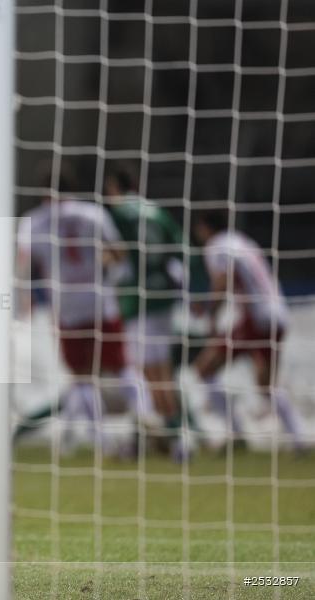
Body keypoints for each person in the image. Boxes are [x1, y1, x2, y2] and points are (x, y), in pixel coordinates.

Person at [18, 165, 156, 455]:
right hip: (100, 301)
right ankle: (145, 414)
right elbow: (118, 253)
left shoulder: (33, 222)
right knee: (121, 366)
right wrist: (103, 266)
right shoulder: (94, 214)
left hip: (67, 307)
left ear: (44, 193)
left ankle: (102, 442)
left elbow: (24, 265)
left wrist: (26, 300)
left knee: (82, 376)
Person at [191, 209, 304, 452]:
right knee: (266, 384)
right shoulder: (243, 241)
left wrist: (211, 313)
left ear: (203, 226)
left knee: (203, 368)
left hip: (257, 317)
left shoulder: (216, 246)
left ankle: (236, 433)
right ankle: (299, 438)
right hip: (278, 313)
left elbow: (223, 280)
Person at [104, 163, 195, 459]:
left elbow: (115, 254)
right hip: (163, 296)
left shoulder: (118, 214)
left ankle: (143, 436)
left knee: (137, 371)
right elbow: (180, 251)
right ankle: (179, 442)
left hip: (136, 299)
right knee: (162, 373)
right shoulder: (157, 211)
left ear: (115, 188)